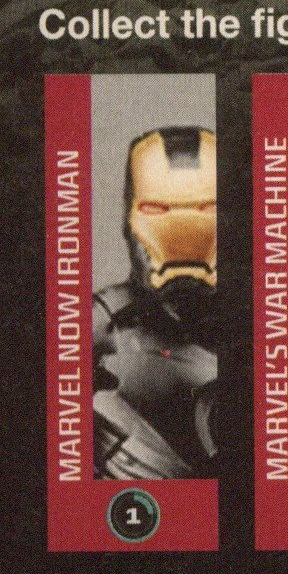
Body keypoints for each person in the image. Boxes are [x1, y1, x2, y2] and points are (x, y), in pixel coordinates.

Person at [91, 123, 218, 483]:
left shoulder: (269, 324)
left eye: (205, 209)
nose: (181, 233)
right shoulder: (97, 326)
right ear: (128, 220)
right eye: (158, 209)